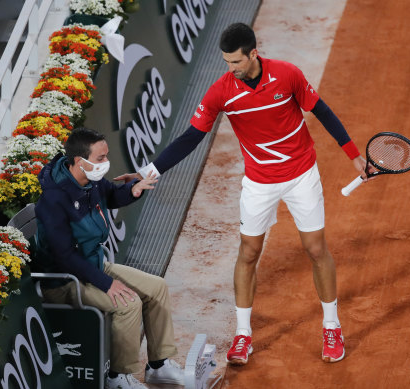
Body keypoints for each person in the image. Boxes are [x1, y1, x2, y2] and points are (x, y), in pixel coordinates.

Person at [136, 23, 368, 365]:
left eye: (236, 62)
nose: (231, 69)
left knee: (316, 248)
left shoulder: (287, 75)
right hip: (259, 182)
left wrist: (354, 155)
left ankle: (331, 326)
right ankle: (243, 335)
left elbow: (322, 111)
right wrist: (149, 172)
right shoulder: (221, 92)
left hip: (301, 174)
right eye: (227, 62)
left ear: (253, 54)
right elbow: (190, 138)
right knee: (248, 252)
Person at [33, 127, 185, 389]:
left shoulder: (89, 181)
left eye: (106, 156)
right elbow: (65, 256)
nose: (106, 163)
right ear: (80, 162)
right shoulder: (54, 199)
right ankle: (118, 377)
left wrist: (134, 190)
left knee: (156, 287)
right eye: (101, 158)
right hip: (65, 281)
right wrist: (106, 283)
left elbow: (112, 195)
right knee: (128, 303)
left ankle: (159, 365)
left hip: (91, 265)